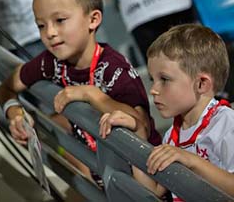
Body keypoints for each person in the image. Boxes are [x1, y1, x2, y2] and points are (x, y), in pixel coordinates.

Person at [0, 0, 161, 186]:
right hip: (101, 178)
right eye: (41, 25)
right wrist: (15, 113)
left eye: (60, 20)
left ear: (93, 20)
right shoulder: (49, 61)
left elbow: (140, 126)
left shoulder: (114, 68)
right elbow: (6, 88)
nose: (50, 33)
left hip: (144, 182)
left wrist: (91, 94)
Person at [99, 24, 234, 199]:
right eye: (152, 79)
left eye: (164, 79)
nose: (153, 89)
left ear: (201, 84)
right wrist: (138, 134)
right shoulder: (171, 135)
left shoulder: (226, 123)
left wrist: (193, 162)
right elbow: (152, 191)